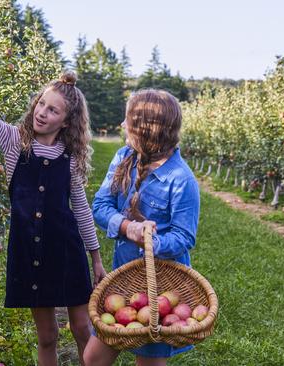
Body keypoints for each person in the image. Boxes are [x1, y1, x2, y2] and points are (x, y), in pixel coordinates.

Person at [0, 61, 107, 366]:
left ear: (66, 121)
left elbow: (80, 208)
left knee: (81, 328)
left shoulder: (70, 158)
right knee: (48, 335)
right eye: (42, 104)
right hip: (30, 251)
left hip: (66, 250)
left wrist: (96, 257)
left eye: (53, 110)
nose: (42, 112)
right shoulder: (14, 141)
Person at [84, 89, 200, 365]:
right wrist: (126, 228)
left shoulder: (181, 180)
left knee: (147, 362)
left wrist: (149, 242)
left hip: (159, 290)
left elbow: (184, 237)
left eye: (128, 121)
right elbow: (99, 207)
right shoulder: (124, 157)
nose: (122, 125)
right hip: (124, 279)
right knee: (92, 358)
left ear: (147, 129)